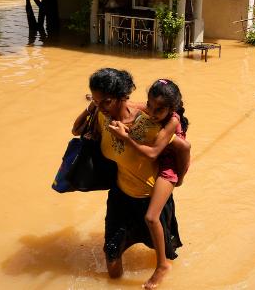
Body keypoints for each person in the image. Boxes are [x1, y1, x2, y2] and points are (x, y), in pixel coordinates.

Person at [71, 68, 183, 286]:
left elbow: (184, 148)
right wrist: (91, 107)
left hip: (150, 198)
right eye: (97, 101)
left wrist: (180, 178)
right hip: (120, 197)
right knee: (112, 258)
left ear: (123, 97)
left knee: (162, 252)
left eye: (106, 102)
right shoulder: (103, 118)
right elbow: (76, 130)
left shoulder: (153, 122)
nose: (102, 107)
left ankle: (161, 268)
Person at [106, 78, 191, 289]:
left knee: (151, 217)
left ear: (172, 108)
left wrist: (125, 137)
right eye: (150, 105)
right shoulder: (153, 108)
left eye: (158, 109)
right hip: (154, 164)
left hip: (167, 167)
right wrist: (101, 103)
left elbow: (153, 153)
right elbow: (133, 106)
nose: (152, 113)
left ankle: (162, 266)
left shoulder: (172, 120)